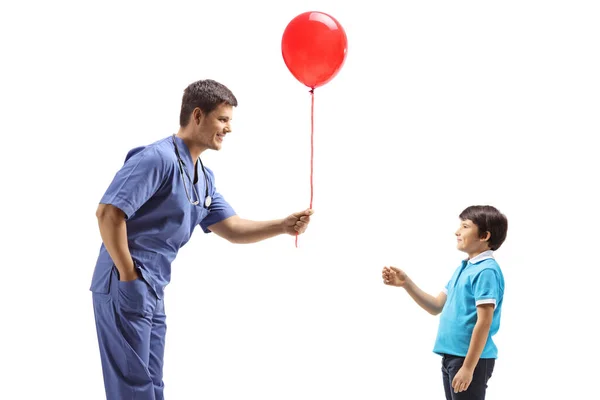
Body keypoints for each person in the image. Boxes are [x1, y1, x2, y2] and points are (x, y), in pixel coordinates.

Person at [90, 79, 314, 400]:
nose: (229, 128)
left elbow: (233, 228)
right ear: (198, 115)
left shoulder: (203, 179)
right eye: (223, 119)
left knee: (152, 385)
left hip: (152, 288)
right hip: (125, 283)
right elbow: (108, 213)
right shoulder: (158, 159)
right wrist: (128, 274)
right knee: (133, 386)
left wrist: (283, 225)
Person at [382, 205, 508, 400]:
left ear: (484, 236)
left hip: (469, 360)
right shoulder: (464, 268)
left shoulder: (486, 271)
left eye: (465, 226)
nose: (457, 231)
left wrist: (468, 367)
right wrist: (406, 284)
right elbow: (436, 306)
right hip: (452, 356)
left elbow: (484, 322)